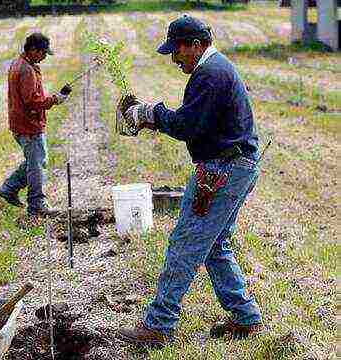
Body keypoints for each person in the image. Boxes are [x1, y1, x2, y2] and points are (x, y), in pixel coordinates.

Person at [117, 15, 263, 346]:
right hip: (235, 165)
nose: (174, 58)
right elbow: (195, 124)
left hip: (222, 171)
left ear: (195, 45)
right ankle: (246, 317)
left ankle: (159, 325)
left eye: (177, 50)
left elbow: (187, 126)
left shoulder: (210, 75)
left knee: (185, 244)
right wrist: (151, 116)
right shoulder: (215, 69)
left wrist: (149, 114)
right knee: (214, 246)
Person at [0, 33, 72, 217]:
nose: (45, 57)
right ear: (32, 50)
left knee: (36, 161)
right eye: (43, 53)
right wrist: (55, 100)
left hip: (22, 122)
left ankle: (8, 188)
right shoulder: (26, 70)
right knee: (37, 164)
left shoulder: (21, 64)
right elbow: (32, 101)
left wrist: (53, 98)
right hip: (28, 124)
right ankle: (37, 204)